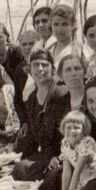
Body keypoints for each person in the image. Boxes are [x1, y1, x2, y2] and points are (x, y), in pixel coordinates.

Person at [13, 49, 70, 182]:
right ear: (29, 70)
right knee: (19, 169)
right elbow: (32, 136)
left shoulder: (61, 93)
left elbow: (67, 133)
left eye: (44, 65)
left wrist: (59, 157)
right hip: (45, 153)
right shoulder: (32, 98)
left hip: (61, 154)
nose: (40, 69)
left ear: (53, 69)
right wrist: (21, 156)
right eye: (35, 65)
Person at [58, 110, 96, 190]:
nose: (72, 131)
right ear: (63, 128)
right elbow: (66, 171)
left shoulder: (87, 142)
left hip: (95, 178)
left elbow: (77, 171)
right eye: (68, 127)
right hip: (81, 179)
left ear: (84, 130)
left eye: (76, 128)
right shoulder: (65, 142)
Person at [47, 4, 82, 69]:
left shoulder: (79, 51)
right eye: (56, 24)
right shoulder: (49, 50)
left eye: (64, 24)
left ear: (72, 25)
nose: (60, 29)